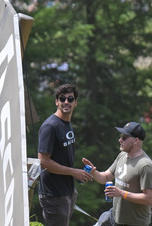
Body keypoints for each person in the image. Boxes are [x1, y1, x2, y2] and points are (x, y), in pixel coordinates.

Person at [83, 122, 152, 226]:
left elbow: (149, 199)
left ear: (136, 140)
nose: (120, 140)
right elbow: (105, 177)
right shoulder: (122, 155)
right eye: (120, 137)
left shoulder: (145, 166)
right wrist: (93, 172)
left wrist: (122, 193)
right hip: (116, 219)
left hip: (135, 223)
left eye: (124, 137)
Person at [37, 83, 90, 226]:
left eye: (70, 99)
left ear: (76, 103)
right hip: (53, 194)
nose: (66, 102)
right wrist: (73, 172)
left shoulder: (66, 123)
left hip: (67, 190)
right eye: (62, 99)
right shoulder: (50, 126)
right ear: (56, 101)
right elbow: (43, 161)